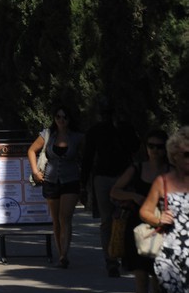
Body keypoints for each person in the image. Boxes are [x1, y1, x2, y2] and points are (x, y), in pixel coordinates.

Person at [140, 124, 189, 293]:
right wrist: (159, 216)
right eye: (185, 154)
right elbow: (145, 212)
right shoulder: (164, 183)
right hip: (171, 255)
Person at [112, 128, 171, 293]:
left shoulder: (171, 171)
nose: (155, 150)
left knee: (159, 284)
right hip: (137, 229)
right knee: (140, 281)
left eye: (159, 146)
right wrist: (134, 195)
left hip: (164, 229)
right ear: (146, 148)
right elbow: (115, 191)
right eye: (151, 146)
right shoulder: (136, 169)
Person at [82, 100, 138, 277]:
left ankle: (120, 256)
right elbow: (88, 157)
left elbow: (135, 147)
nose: (107, 117)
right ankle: (111, 260)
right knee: (108, 220)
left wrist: (122, 128)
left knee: (122, 218)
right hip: (104, 177)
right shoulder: (96, 131)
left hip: (122, 176)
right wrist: (83, 183)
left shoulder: (123, 129)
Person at [28, 105, 85, 268]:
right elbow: (31, 150)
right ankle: (60, 252)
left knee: (65, 217)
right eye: (58, 117)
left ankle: (64, 255)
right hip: (51, 180)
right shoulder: (47, 135)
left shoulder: (77, 137)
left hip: (71, 180)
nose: (61, 120)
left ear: (70, 119)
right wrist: (35, 172)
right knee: (56, 220)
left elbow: (87, 156)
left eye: (64, 117)